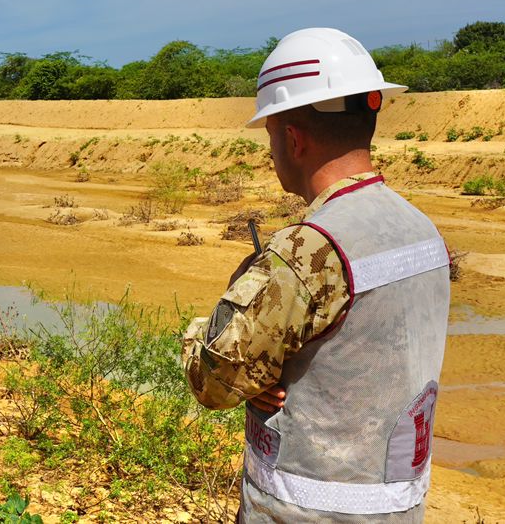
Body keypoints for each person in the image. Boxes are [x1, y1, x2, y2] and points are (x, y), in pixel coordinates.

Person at [181, 28, 451, 522]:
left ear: (292, 138)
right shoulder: (421, 230)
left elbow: (215, 382)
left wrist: (207, 334)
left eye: (270, 138)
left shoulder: (305, 252)